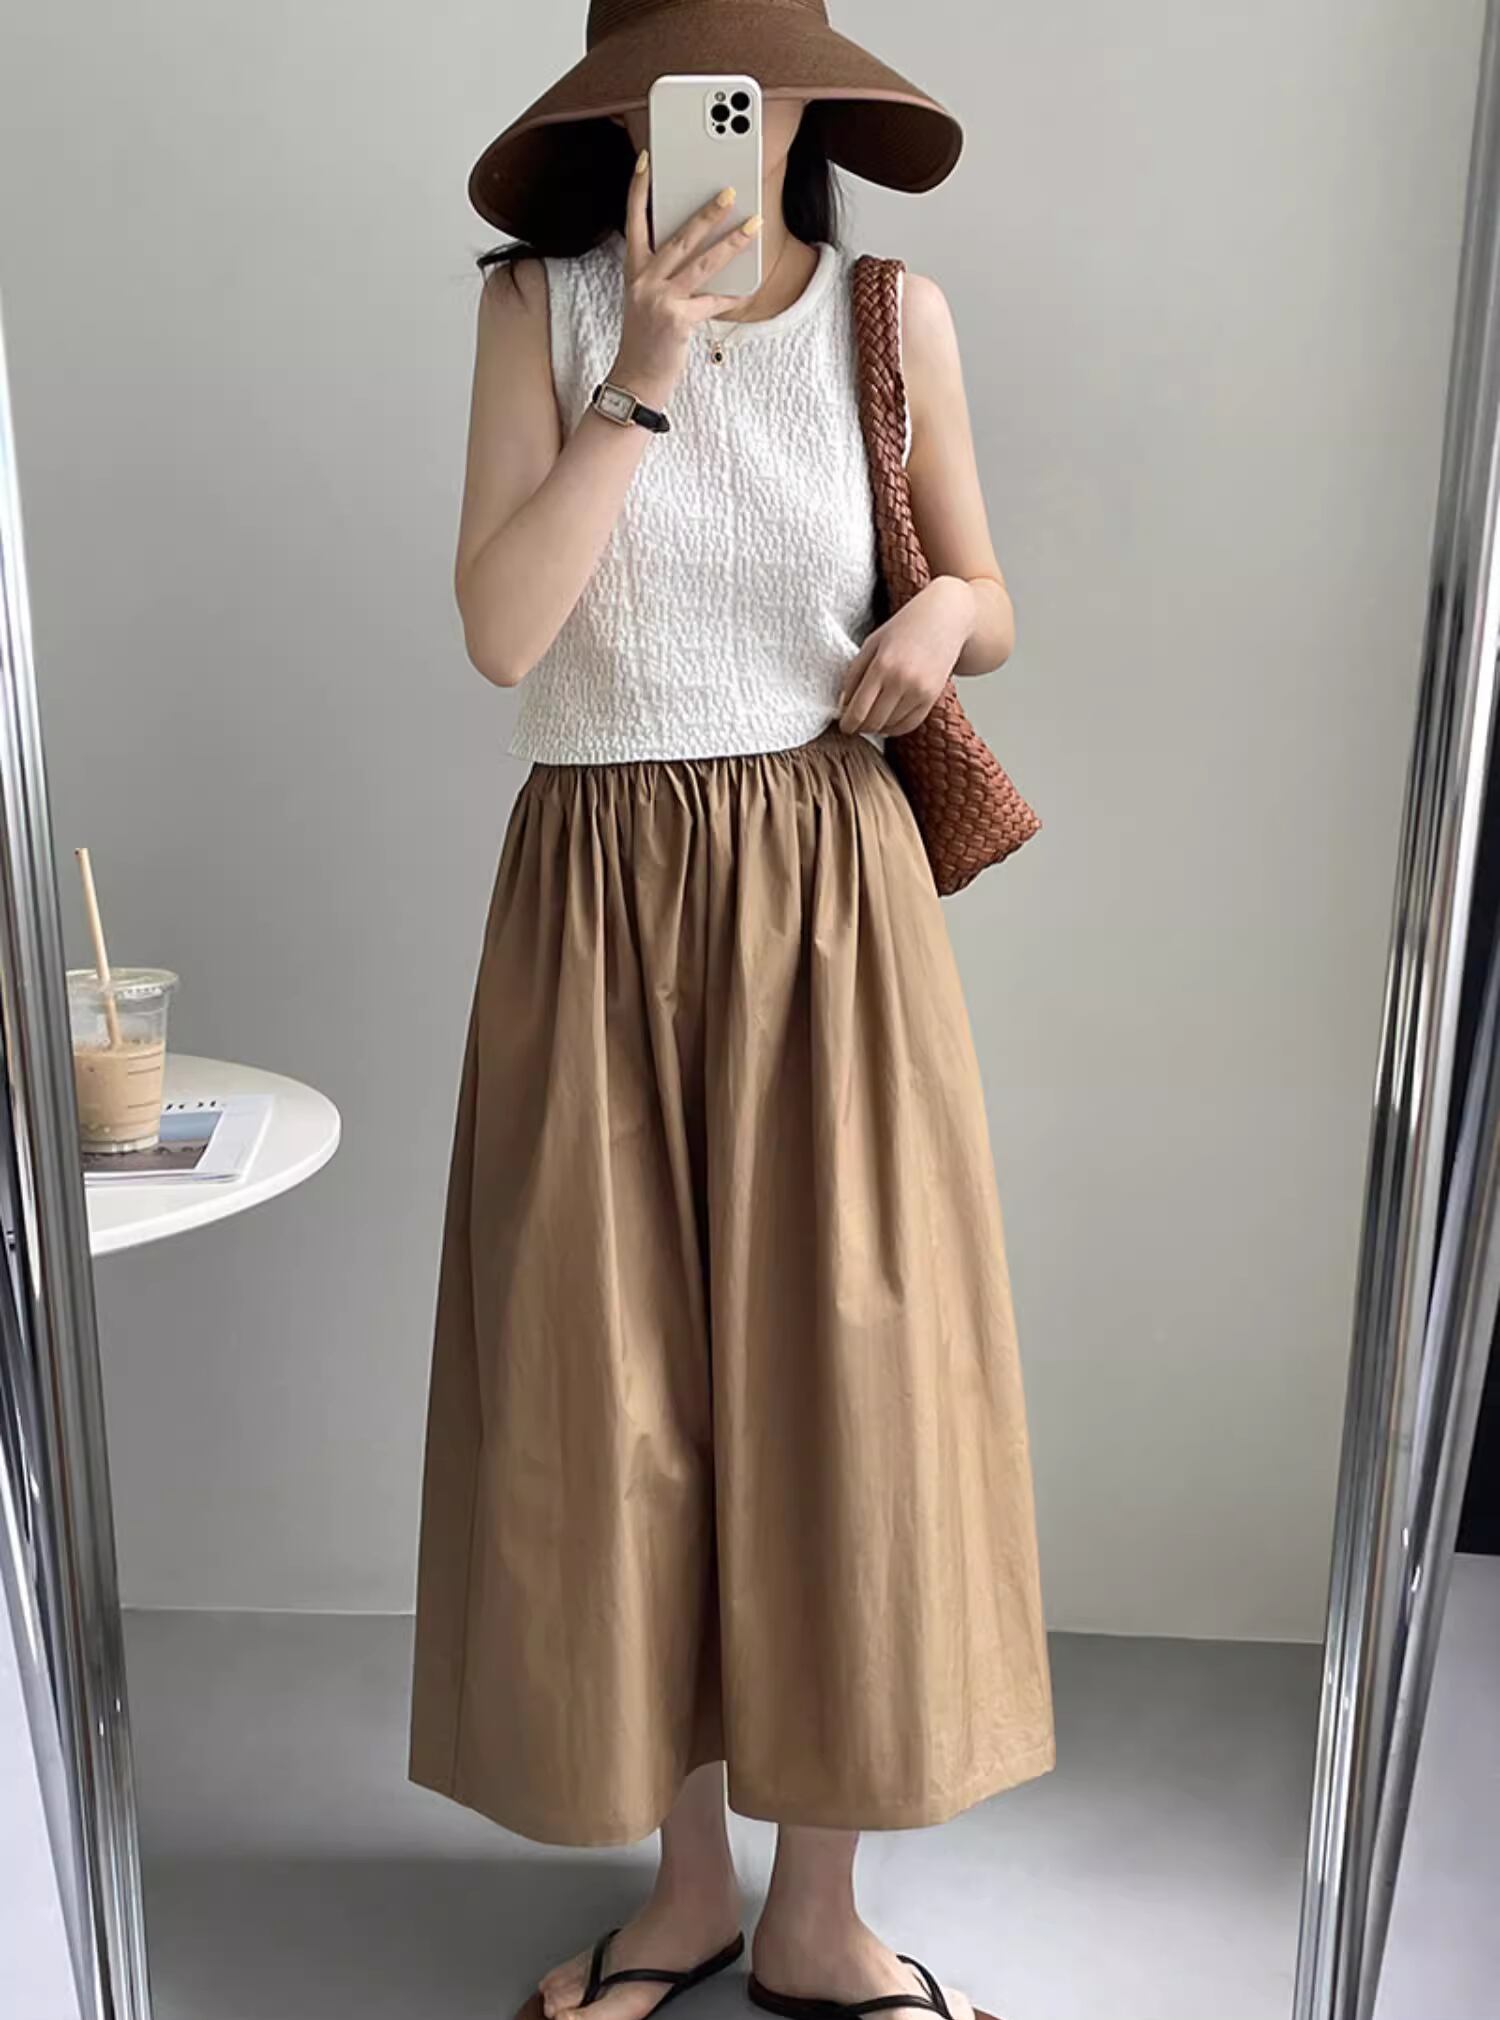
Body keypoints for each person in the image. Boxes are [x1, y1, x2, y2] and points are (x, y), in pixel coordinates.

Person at [407, 8, 1054, 2020]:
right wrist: (646, 371)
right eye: (697, 93)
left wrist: (939, 613)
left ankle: (818, 1914)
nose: (735, 129)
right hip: (595, 898)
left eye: (765, 93)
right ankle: (686, 1888)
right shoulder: (537, 317)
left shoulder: (890, 313)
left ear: (812, 107)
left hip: (829, 899)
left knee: (841, 1390)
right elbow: (504, 629)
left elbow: (989, 597)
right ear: (623, 114)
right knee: (620, 1396)